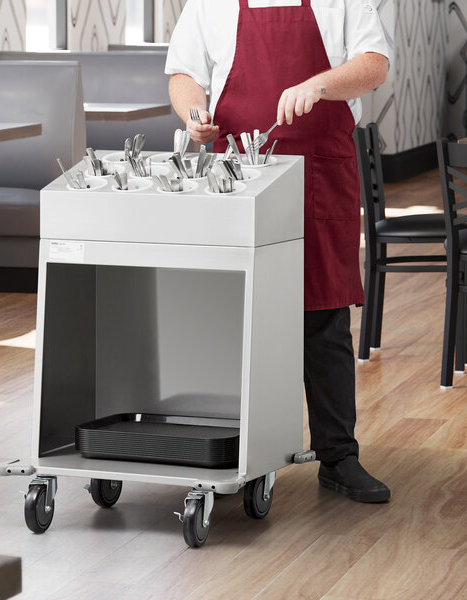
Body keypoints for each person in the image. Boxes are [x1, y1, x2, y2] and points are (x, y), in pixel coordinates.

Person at [166, 0, 391, 503]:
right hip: (237, 174)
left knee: (325, 315)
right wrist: (195, 114)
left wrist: (320, 84)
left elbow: (375, 63)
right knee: (227, 314)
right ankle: (227, 452)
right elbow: (184, 71)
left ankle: (339, 457)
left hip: (319, 170)